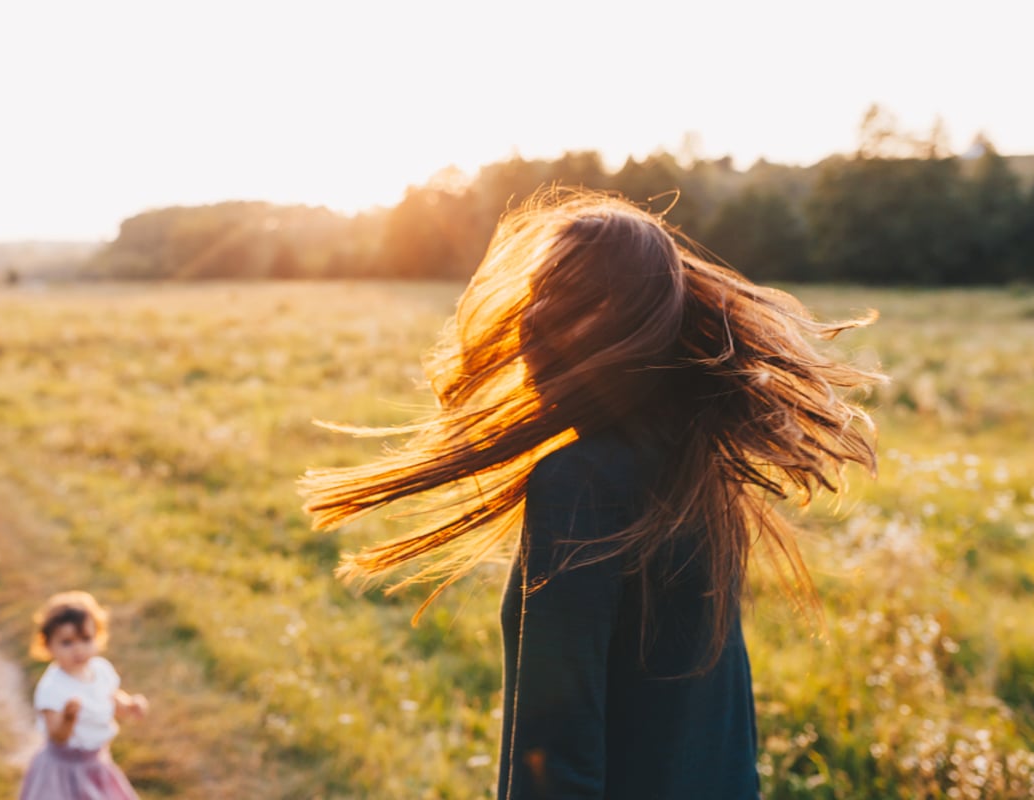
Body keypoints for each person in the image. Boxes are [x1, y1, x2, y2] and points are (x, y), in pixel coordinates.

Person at [301, 187, 882, 799]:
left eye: (557, 298)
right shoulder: (692, 462)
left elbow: (556, 750)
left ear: (611, 324)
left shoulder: (581, 481)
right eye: (538, 294)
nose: (531, 319)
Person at [19, 590, 148, 800]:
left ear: (98, 636)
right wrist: (68, 719)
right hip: (62, 769)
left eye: (86, 639)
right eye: (67, 642)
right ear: (48, 645)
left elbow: (112, 699)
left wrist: (130, 705)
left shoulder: (101, 670)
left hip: (97, 762)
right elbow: (57, 736)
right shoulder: (52, 687)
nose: (78, 649)